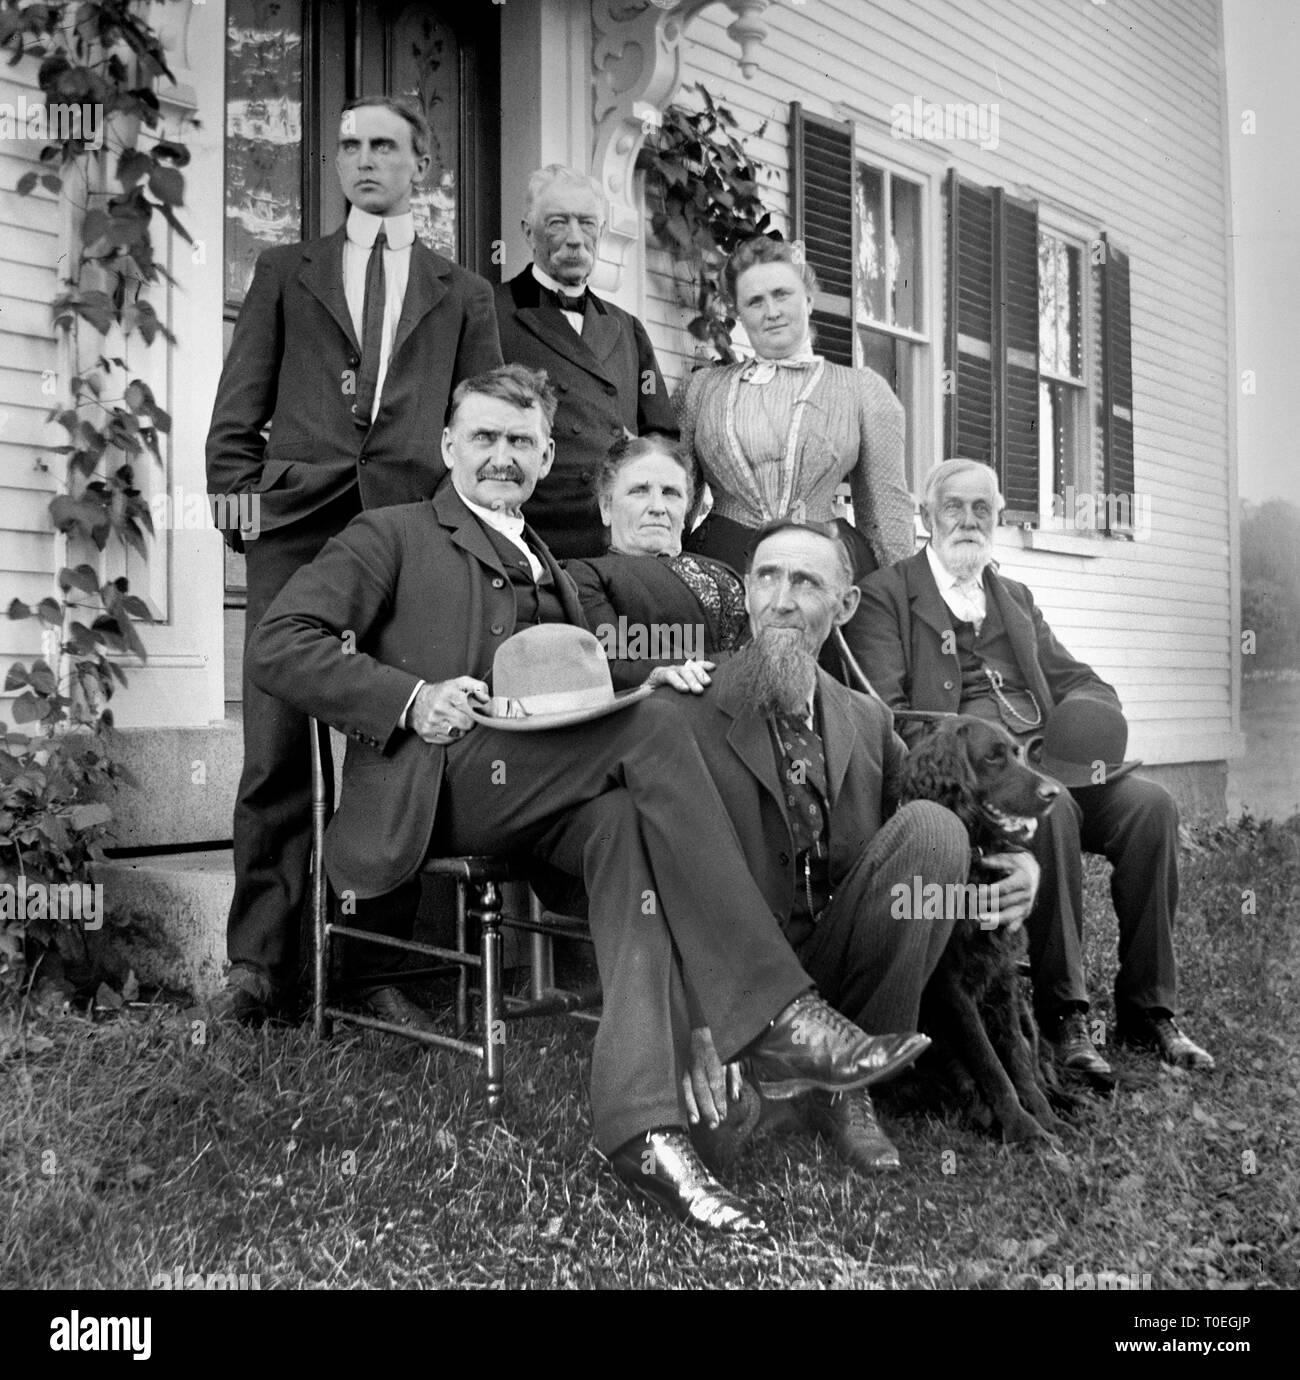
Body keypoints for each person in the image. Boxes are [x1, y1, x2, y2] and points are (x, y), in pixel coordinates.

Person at [246, 364, 930, 1236]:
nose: (502, 456)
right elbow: (279, 644)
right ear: (448, 447)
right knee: (656, 733)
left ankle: (644, 1129)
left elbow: (587, 677)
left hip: (546, 784)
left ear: (543, 460)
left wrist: (654, 671)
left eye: (521, 443)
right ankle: (780, 1015)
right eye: (485, 438)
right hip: (440, 779)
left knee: (626, 832)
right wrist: (410, 698)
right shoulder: (388, 535)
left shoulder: (548, 564)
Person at [205, 96, 503, 1027]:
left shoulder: (462, 292)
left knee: (402, 743)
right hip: (296, 530)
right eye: (349, 147)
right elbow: (236, 409)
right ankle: (259, 969)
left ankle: (380, 968)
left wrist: (461, 530)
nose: (363, 161)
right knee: (275, 751)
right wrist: (243, 512)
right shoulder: (286, 270)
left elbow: (486, 414)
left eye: (384, 146)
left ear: (425, 165)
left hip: (410, 536)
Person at [670, 518, 1041, 1175]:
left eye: (806, 582)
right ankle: (778, 1066)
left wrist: (1018, 862)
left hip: (841, 950)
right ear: (748, 593)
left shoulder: (866, 719)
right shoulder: (692, 703)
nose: (781, 599)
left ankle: (851, 1082)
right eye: (766, 577)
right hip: (743, 966)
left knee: (932, 828)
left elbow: (942, 805)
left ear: (844, 605)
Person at [851, 458, 1215, 1074]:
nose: (969, 521)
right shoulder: (887, 594)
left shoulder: (1011, 594)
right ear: (925, 517)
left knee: (1151, 806)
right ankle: (1067, 1015)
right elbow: (888, 715)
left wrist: (1088, 718)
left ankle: (1150, 1008)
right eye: (953, 508)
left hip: (1047, 761)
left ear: (998, 517)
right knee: (1054, 812)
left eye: (983, 510)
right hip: (972, 781)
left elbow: (1080, 678)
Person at [677, 236, 915, 577]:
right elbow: (676, 500)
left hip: (824, 562)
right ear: (738, 314)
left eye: (782, 295)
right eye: (755, 302)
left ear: (808, 298)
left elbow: (886, 514)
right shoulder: (701, 390)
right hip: (719, 566)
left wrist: (897, 604)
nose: (772, 312)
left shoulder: (862, 391)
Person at [493, 165, 678, 558]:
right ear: (529, 231)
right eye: (558, 223)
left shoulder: (626, 326)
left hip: (611, 539)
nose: (575, 239)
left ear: (602, 230)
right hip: (528, 537)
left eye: (587, 223)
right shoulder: (489, 313)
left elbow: (660, 436)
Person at [564, 433, 748, 690]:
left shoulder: (724, 574)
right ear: (607, 507)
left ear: (686, 510)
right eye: (639, 491)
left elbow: (744, 650)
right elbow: (611, 665)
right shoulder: (584, 576)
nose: (658, 507)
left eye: (671, 493)